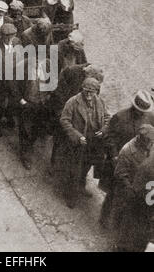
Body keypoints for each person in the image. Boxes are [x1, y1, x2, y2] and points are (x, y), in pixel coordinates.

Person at [99, 90, 154, 228]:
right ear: (134, 107)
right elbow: (109, 137)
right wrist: (114, 155)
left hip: (137, 162)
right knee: (112, 193)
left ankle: (118, 221)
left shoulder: (150, 117)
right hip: (118, 159)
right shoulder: (120, 116)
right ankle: (104, 217)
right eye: (139, 110)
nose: (142, 113)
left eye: (144, 111)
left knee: (128, 194)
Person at [60, 77, 110, 208]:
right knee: (74, 170)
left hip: (94, 142)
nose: (88, 94)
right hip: (78, 143)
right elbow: (64, 120)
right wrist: (77, 136)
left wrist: (104, 130)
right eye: (86, 91)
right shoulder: (73, 102)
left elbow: (107, 118)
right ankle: (70, 195)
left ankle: (81, 187)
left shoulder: (99, 102)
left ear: (96, 92)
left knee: (86, 167)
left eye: (92, 92)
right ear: (82, 89)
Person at [113, 124, 154, 252]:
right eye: (148, 141)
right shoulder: (127, 150)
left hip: (142, 190)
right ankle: (117, 244)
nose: (151, 144)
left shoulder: (151, 146)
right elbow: (119, 173)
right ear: (141, 139)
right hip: (128, 190)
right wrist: (130, 188)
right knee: (123, 220)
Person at [10, 57, 52, 170]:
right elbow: (12, 83)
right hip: (27, 103)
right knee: (25, 129)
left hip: (41, 104)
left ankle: (30, 144)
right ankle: (25, 155)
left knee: (36, 128)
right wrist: (21, 100)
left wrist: (48, 95)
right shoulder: (22, 66)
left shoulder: (47, 64)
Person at [0, 23, 21, 138]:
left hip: (13, 78)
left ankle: (9, 116)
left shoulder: (17, 42)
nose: (9, 39)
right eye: (6, 36)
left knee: (13, 100)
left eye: (11, 36)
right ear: (1, 35)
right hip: (0, 81)